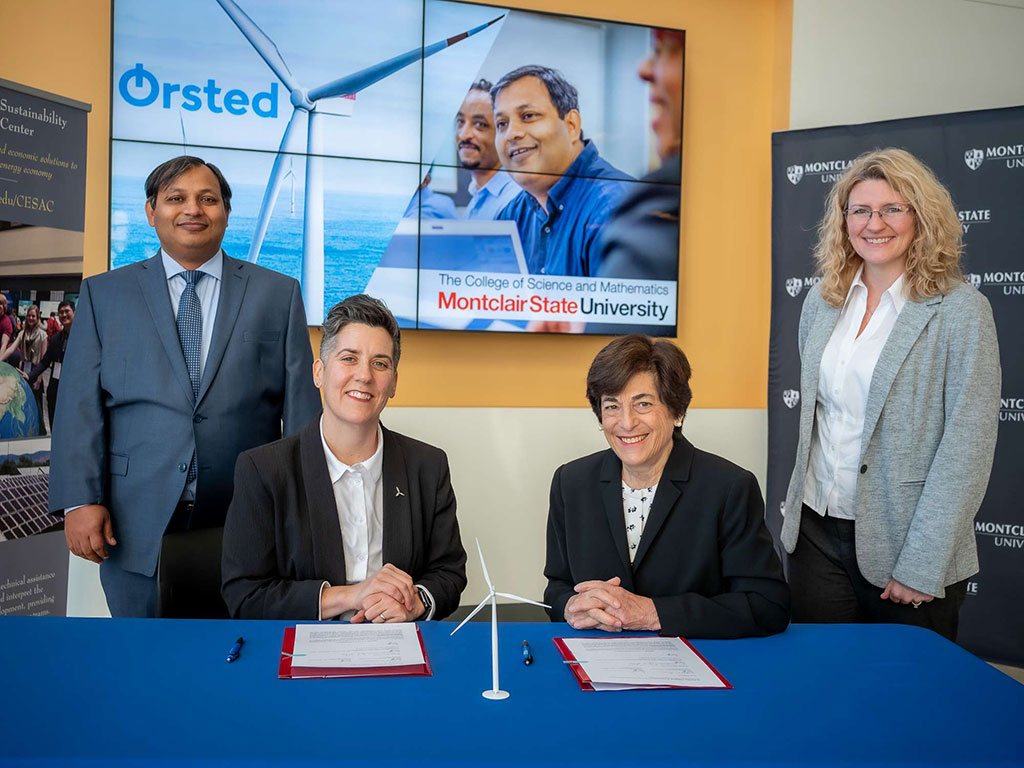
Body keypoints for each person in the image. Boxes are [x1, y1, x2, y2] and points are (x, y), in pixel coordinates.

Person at [49, 155, 322, 618]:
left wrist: (303, 514)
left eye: (207, 199)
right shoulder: (103, 295)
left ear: (226, 213)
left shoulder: (278, 294)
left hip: (248, 521)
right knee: (143, 666)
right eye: (176, 198)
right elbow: (79, 407)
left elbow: (300, 414)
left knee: (241, 666)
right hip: (133, 525)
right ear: (151, 211)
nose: (192, 209)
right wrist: (79, 499)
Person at [781, 148, 1000, 642]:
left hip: (906, 544)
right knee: (822, 689)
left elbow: (967, 448)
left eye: (891, 209)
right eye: (860, 210)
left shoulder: (961, 312)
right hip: (814, 536)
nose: (873, 223)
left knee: (907, 703)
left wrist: (923, 563)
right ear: (844, 222)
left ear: (920, 217)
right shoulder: (822, 301)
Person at [222, 294, 467, 621]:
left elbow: (449, 572)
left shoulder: (428, 466)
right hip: (299, 648)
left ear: (393, 382)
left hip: (398, 646)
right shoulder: (264, 470)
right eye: (349, 358)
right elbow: (245, 596)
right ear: (319, 372)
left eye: (379, 363)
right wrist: (353, 595)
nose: (364, 375)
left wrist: (415, 603)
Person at [543, 335, 790, 638]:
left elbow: (767, 606)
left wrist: (651, 613)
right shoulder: (571, 482)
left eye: (643, 404)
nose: (627, 422)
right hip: (593, 664)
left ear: (677, 411)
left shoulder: (729, 488)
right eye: (612, 406)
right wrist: (569, 606)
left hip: (699, 665)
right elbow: (557, 587)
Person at [493, 65, 631, 277]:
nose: (512, 134)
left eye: (528, 116)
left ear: (571, 125)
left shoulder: (615, 208)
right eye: (502, 124)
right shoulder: (510, 216)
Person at [599, 28, 683, 284]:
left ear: (571, 124)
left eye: (664, 49)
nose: (644, 69)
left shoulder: (628, 202)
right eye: (502, 122)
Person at [455, 79, 521, 220]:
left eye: (480, 124)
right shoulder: (476, 199)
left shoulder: (515, 201)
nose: (464, 134)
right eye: (460, 122)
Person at [26, 299, 74, 432]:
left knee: (70, 429)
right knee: (55, 428)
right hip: (55, 390)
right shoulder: (55, 339)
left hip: (73, 391)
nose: (64, 315)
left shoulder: (83, 338)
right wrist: (30, 375)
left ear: (74, 313)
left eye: (67, 311)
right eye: (61, 312)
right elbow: (45, 361)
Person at [1, 304, 48, 434]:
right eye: (28, 315)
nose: (30, 318)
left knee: (36, 403)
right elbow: (11, 349)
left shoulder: (43, 335)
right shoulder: (23, 333)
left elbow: (44, 359)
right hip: (23, 371)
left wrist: (38, 378)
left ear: (37, 317)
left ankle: (40, 431)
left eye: (33, 316)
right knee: (24, 402)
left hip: (35, 371)